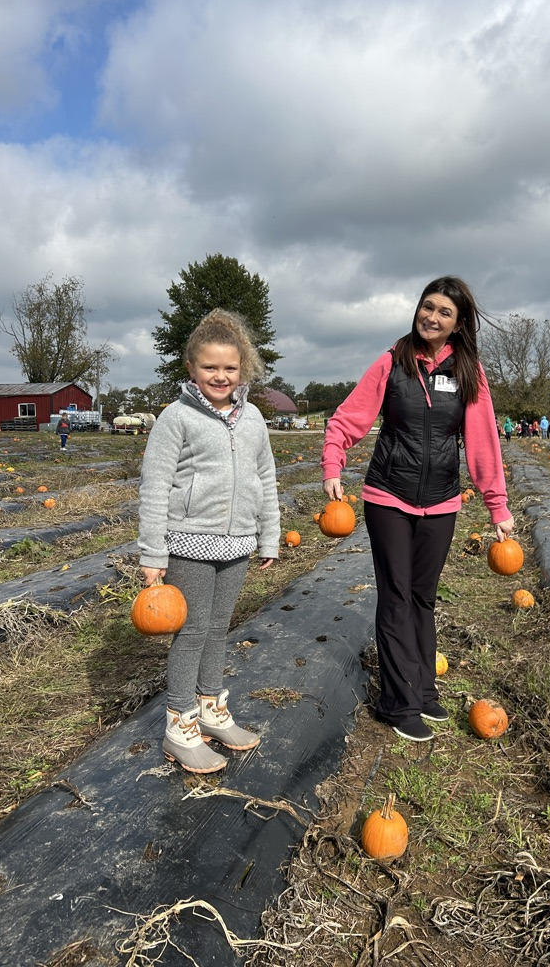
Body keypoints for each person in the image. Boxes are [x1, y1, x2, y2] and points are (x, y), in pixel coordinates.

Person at [321, 276, 514, 743]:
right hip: (388, 495)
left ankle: (424, 690)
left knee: (424, 596)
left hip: (442, 500)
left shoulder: (468, 371)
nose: (432, 317)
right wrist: (333, 461)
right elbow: (349, 417)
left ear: (458, 323)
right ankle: (398, 703)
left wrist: (497, 505)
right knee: (397, 596)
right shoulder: (392, 362)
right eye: (428, 307)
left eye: (444, 312)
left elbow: (483, 440)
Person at [137, 309, 280, 773]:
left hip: (237, 544)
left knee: (219, 629)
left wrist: (269, 535)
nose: (221, 376)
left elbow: (265, 478)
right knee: (192, 630)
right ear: (191, 368)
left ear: (243, 369)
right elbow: (155, 486)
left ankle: (210, 709)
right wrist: (153, 551)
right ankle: (180, 723)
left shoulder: (253, 418)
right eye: (210, 367)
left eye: (230, 367)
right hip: (189, 542)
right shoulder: (177, 418)